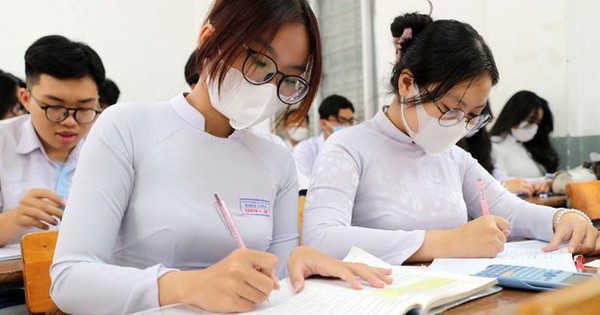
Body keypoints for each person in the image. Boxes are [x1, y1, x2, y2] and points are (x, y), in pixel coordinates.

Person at [50, 1, 391, 314]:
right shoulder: (127, 127)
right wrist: (190, 285)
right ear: (208, 40)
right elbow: (69, 279)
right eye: (258, 61)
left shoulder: (276, 158)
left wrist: (300, 263)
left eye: (289, 79)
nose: (269, 87)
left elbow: (278, 282)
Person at [303, 14, 599, 266]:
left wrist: (563, 218)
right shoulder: (348, 148)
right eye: (451, 109)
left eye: (474, 115)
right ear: (407, 84)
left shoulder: (452, 157)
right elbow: (322, 238)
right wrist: (446, 243)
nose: (460, 125)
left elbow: (512, 210)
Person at [0, 35, 105, 247]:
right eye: (55, 107)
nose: (69, 121)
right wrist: (14, 219)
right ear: (26, 99)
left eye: (84, 108)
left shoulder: (110, 147)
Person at [490, 90, 559, 194]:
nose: (534, 128)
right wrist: (543, 181)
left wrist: (547, 183)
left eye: (537, 123)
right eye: (530, 121)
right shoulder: (494, 144)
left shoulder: (531, 146)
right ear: (514, 117)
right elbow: (501, 180)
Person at [456, 106, 535, 196]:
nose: (475, 120)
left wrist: (542, 182)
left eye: (479, 114)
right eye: (471, 114)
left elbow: (495, 177)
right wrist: (502, 186)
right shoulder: (451, 148)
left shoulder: (482, 143)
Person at [293, 94, 355, 189]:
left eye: (350, 121)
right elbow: (306, 186)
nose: (347, 126)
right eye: (341, 120)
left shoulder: (355, 149)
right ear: (324, 124)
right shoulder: (305, 150)